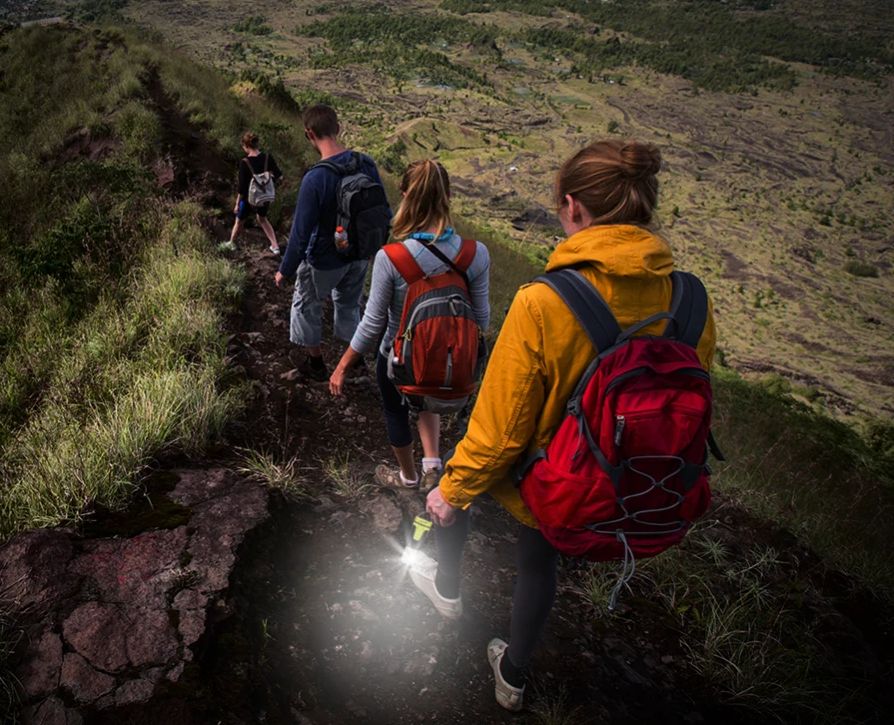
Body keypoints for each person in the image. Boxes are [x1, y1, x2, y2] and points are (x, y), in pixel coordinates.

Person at [410, 139, 717, 712]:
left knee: (477, 503)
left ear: (573, 207)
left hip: (556, 482)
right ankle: (515, 673)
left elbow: (499, 430)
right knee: (540, 557)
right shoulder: (692, 300)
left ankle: (449, 597)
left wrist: (451, 493)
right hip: (638, 482)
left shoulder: (543, 303)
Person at [329, 160, 490, 493]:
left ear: (404, 195)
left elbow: (373, 323)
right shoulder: (477, 255)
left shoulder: (392, 256)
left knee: (396, 411)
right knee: (428, 390)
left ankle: (408, 478)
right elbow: (483, 320)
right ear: (448, 196)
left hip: (397, 361)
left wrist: (342, 366)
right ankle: (433, 465)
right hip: (447, 361)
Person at [275, 104, 392, 381]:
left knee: (307, 304)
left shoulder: (315, 178)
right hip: (360, 255)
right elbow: (384, 212)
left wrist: (286, 269)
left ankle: (315, 364)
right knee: (350, 306)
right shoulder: (366, 164)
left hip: (325, 260)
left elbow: (300, 234)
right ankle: (355, 364)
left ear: (309, 134)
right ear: (338, 129)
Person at [222, 132, 283, 255]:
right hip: (264, 196)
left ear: (245, 145)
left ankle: (231, 242)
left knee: (239, 221)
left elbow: (242, 187)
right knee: (263, 219)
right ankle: (275, 246)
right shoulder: (267, 158)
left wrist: (237, 203)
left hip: (249, 199)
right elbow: (280, 177)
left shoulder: (245, 162)